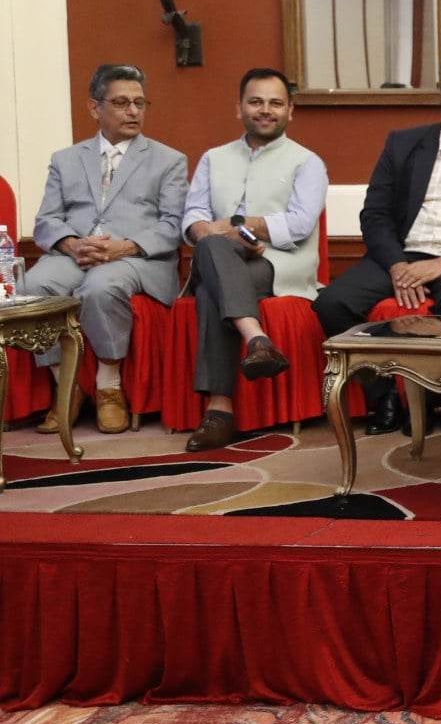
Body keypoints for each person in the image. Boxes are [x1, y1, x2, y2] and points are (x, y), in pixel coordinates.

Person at [312, 57, 441, 434]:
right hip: (400, 254)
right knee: (332, 303)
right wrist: (397, 266)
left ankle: (427, 397)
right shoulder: (404, 145)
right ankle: (385, 395)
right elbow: (375, 214)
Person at [23, 63, 187, 434]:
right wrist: (72, 244)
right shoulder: (65, 159)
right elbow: (46, 220)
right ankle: (66, 386)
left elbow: (172, 226)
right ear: (95, 108)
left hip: (136, 258)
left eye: (139, 103)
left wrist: (123, 248)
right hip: (77, 253)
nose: (133, 111)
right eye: (121, 103)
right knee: (33, 287)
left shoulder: (169, 160)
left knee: (101, 286)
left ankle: (108, 387)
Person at [179, 69, 327, 451]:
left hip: (277, 262)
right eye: (256, 102)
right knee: (211, 248)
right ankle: (257, 339)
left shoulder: (307, 162)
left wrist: (243, 229)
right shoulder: (213, 159)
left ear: (290, 111)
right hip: (220, 255)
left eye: (275, 103)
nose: (265, 110)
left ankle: (219, 411)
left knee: (212, 283)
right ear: (239, 108)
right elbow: (193, 215)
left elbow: (300, 224)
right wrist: (210, 233)